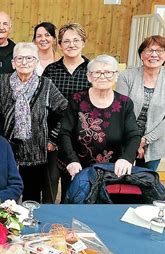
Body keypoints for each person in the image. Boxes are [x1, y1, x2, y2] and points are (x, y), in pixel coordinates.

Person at [59, 55, 142, 185]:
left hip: (113, 170)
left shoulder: (125, 103)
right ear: (89, 76)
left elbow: (134, 134)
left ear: (116, 76)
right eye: (97, 72)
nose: (102, 76)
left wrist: (127, 158)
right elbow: (64, 132)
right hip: (77, 168)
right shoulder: (76, 99)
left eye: (108, 72)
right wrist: (71, 160)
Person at [0, 43, 67, 203]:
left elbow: (65, 110)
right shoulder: (2, 82)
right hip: (5, 148)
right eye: (20, 58)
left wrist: (53, 137)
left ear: (36, 62)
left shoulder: (46, 85)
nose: (24, 62)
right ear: (13, 62)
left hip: (35, 149)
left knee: (32, 194)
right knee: (5, 192)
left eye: (29, 58)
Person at [42, 22, 92, 203]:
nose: (71, 45)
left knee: (75, 185)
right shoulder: (51, 70)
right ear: (60, 45)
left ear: (83, 42)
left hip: (81, 138)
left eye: (76, 40)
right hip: (53, 138)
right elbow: (45, 106)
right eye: (66, 41)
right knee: (50, 182)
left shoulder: (92, 70)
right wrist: (51, 137)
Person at [116, 35, 165, 171]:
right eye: (149, 50)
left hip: (155, 143)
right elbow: (120, 110)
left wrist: (144, 140)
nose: (154, 55)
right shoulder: (127, 76)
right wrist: (134, 141)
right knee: (117, 182)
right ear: (141, 55)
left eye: (160, 51)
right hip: (123, 139)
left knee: (144, 184)